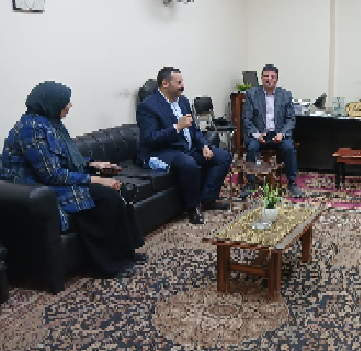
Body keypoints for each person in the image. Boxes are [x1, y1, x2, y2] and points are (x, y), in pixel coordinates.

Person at [0, 81, 145, 279]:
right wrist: (96, 180)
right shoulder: (31, 129)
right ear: (51, 102)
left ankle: (126, 253)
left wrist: (94, 164)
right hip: (38, 190)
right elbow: (51, 175)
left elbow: (65, 158)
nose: (69, 105)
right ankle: (109, 265)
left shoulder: (52, 123)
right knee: (107, 197)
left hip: (54, 181)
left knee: (120, 189)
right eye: (65, 101)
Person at [137, 67, 232, 224]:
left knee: (223, 156)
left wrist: (204, 146)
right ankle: (193, 207)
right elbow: (150, 138)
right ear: (165, 83)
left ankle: (208, 199)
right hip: (163, 151)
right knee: (189, 164)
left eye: (182, 82)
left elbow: (194, 129)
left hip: (187, 148)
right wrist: (177, 127)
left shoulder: (183, 101)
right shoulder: (148, 106)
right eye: (179, 82)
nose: (183, 86)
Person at [240, 64, 303, 197]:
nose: (269, 79)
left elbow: (291, 119)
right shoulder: (252, 94)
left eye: (272, 77)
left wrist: (282, 134)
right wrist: (257, 134)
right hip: (260, 134)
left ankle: (292, 183)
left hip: (278, 134)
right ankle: (250, 183)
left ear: (277, 79)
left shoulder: (285, 95)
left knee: (289, 148)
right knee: (252, 148)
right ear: (261, 78)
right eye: (266, 76)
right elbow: (246, 119)